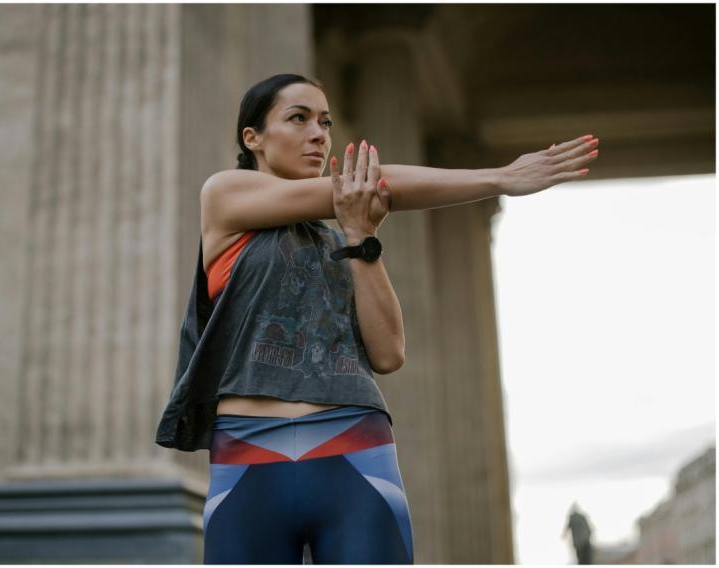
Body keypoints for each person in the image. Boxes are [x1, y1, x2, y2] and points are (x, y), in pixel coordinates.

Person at [155, 73, 600, 564]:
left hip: (355, 448)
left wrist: (361, 238)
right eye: (298, 118)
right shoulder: (224, 195)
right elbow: (372, 182)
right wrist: (498, 179)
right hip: (247, 451)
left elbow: (388, 354)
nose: (319, 134)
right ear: (252, 137)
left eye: (325, 122)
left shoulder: (340, 238)